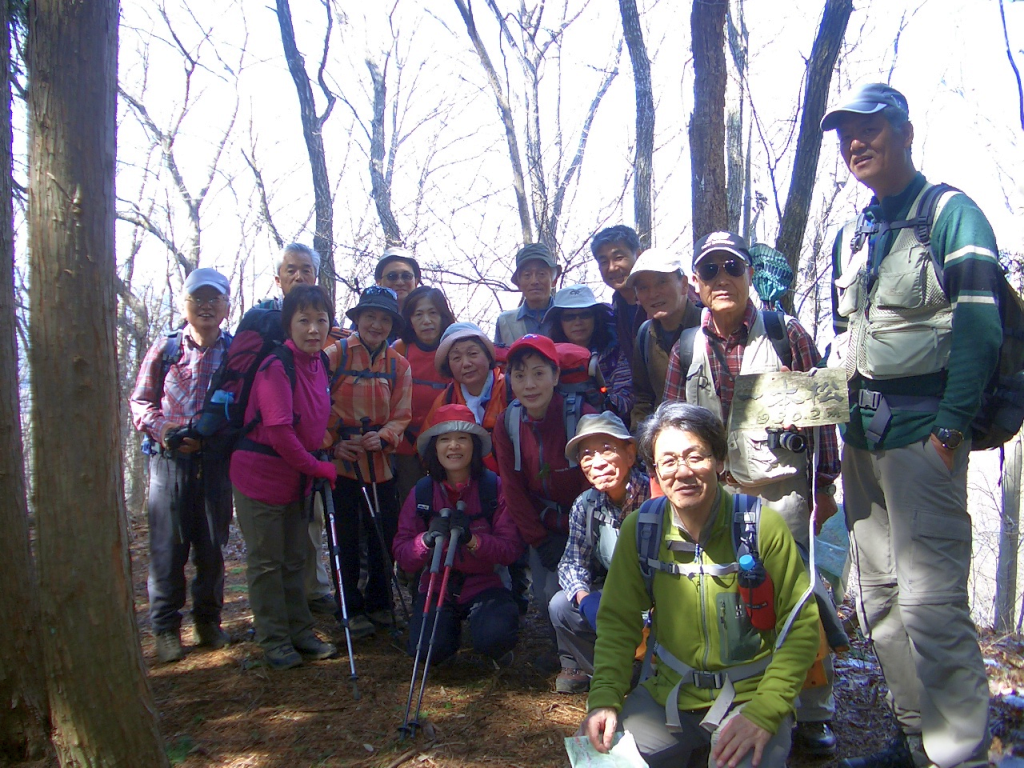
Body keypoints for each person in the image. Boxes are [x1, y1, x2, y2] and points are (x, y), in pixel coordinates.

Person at [821, 82, 1001, 768]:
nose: (855, 144)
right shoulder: (853, 234)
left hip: (925, 442)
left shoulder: (950, 214)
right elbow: (849, 342)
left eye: (868, 129)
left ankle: (957, 752)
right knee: (882, 604)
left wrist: (951, 429)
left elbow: (980, 328)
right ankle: (914, 736)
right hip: (862, 442)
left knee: (931, 605)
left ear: (905, 132)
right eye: (846, 136)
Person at [662, 230, 844, 755]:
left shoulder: (786, 333)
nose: (722, 279)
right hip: (716, 492)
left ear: (748, 275)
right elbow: (673, 423)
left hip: (783, 490)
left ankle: (813, 712)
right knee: (730, 595)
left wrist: (825, 486)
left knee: (798, 597)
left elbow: (824, 418)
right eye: (710, 270)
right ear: (696, 283)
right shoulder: (686, 347)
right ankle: (745, 696)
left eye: (732, 268)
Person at [580, 402, 819, 768]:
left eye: (696, 456)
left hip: (751, 695)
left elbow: (800, 627)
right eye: (670, 460)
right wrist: (604, 698)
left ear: (719, 461)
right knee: (601, 763)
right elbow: (618, 623)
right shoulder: (642, 530)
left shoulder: (761, 526)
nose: (683, 471)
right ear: (654, 470)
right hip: (667, 696)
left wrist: (765, 711)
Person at [228, 285, 338, 670]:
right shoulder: (276, 366)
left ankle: (301, 632)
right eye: (304, 320)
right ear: (288, 324)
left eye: (321, 320)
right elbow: (279, 433)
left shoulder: (319, 363)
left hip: (296, 480)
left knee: (295, 559)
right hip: (260, 478)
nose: (313, 329)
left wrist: (320, 457)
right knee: (266, 562)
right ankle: (275, 639)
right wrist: (320, 467)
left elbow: (313, 421)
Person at [130, 268, 234, 664]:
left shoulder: (235, 350)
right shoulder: (166, 347)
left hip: (214, 462)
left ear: (226, 304)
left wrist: (218, 435)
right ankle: (165, 629)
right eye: (198, 299)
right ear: (184, 303)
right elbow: (140, 402)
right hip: (168, 463)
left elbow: (243, 405)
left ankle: (208, 622)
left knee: (212, 546)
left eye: (214, 299)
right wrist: (166, 430)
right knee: (167, 548)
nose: (206, 306)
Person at [392, 405, 523, 665]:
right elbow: (402, 552)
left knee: (493, 638)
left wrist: (472, 540)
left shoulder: (493, 488)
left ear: (474, 445)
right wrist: (426, 541)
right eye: (445, 439)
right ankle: (445, 638)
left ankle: (492, 639)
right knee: (428, 650)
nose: (454, 446)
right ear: (435, 448)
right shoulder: (422, 492)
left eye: (462, 439)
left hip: (487, 584)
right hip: (437, 584)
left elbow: (510, 549)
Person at [493, 334, 596, 650]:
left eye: (539, 373)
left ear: (555, 376)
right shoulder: (508, 422)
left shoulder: (581, 415)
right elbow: (513, 488)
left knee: (583, 591)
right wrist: (539, 539)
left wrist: (575, 537)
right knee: (546, 596)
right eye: (520, 375)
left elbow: (593, 481)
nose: (529, 384)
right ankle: (567, 655)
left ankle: (598, 653)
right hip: (543, 527)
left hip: (586, 526)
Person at [324, 286, 413, 638]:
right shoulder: (334, 357)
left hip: (381, 464)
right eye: (370, 316)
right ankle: (349, 606)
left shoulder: (398, 365)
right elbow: (316, 408)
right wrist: (331, 445)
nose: (377, 324)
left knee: (383, 536)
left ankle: (380, 603)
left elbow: (403, 414)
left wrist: (387, 435)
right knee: (344, 538)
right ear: (357, 318)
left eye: (384, 318)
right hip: (344, 464)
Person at [549, 412, 650, 694]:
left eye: (607, 449)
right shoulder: (586, 504)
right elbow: (571, 562)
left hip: (660, 601)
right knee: (561, 605)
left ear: (630, 454)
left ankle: (655, 670)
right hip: (616, 596)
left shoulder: (657, 497)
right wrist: (586, 600)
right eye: (587, 454)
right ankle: (617, 672)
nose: (598, 462)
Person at [392, 286, 455, 504]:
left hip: (446, 441)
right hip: (406, 443)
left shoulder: (454, 349)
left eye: (433, 313)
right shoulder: (400, 350)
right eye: (418, 314)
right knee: (412, 501)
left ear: (443, 316)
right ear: (409, 319)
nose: (426, 320)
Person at [626, 248, 702, 428]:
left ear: (684, 284)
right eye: (644, 288)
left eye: (661, 283)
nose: (653, 294)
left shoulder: (709, 326)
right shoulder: (645, 335)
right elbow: (643, 397)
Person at [542, 285, 634, 423]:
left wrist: (603, 400)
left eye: (585, 315)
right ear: (559, 322)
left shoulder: (615, 354)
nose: (578, 322)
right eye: (569, 317)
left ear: (596, 318)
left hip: (608, 427)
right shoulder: (546, 358)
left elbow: (627, 399)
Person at [424, 322, 508, 472]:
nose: (466, 363)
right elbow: (427, 450)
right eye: (456, 358)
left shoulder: (510, 390)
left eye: (473, 354)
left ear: (488, 357)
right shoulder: (446, 401)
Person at [591, 226, 646, 364]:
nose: (612, 268)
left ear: (638, 256)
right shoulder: (616, 307)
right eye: (603, 262)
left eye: (619, 258)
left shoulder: (660, 296)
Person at [494, 243, 560, 344]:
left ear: (554, 280)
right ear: (519, 283)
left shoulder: (566, 317)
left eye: (541, 274)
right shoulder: (505, 322)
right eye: (527, 275)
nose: (534, 281)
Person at [375, 246, 422, 313]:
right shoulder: (367, 319)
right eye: (392, 276)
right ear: (379, 282)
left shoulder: (428, 318)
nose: (400, 282)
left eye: (406, 276)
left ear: (416, 281)